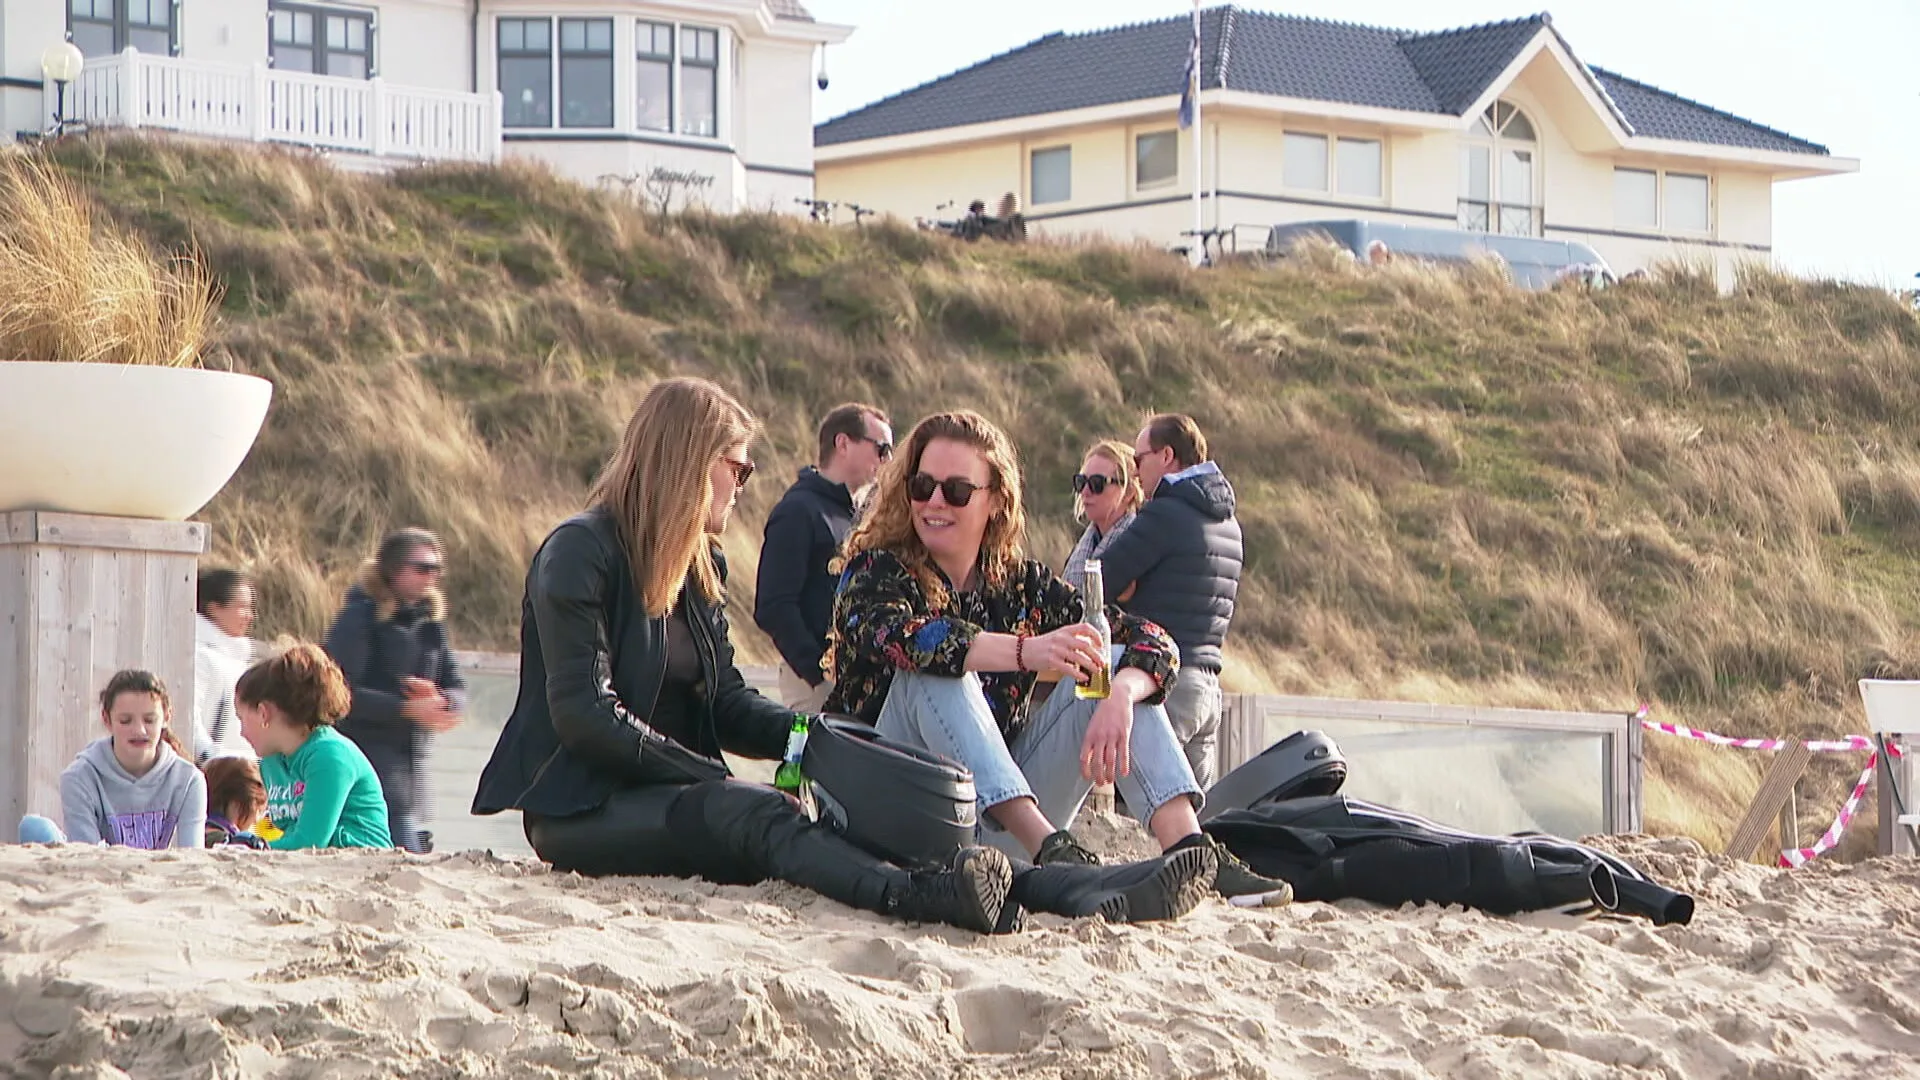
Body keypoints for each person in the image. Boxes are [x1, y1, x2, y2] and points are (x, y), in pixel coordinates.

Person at [474, 378, 1211, 934]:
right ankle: (926, 892)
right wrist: (710, 775)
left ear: (994, 502)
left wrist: (811, 737)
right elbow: (586, 716)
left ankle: (1178, 857)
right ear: (691, 463)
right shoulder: (581, 552)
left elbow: (726, 702)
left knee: (1114, 679)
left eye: (957, 490)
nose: (743, 485)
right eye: (738, 468)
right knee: (763, 810)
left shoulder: (696, 566)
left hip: (697, 794)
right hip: (582, 806)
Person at [827, 410, 1287, 903]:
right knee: (937, 668)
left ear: (995, 501)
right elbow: (906, 638)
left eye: (956, 491)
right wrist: (1027, 650)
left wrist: (1120, 693)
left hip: (988, 830)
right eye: (922, 486)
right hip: (889, 820)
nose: (935, 502)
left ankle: (1193, 851)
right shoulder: (875, 571)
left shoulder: (1020, 585)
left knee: (1105, 657)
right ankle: (1053, 852)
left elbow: (1152, 640)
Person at [1100, 414, 1243, 789]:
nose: (1135, 471)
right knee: (1192, 815)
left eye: (1139, 459)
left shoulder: (1166, 513)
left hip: (1164, 684)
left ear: (1166, 456)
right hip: (1207, 688)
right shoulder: (1229, 524)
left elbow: (1101, 580)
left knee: (1140, 806)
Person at [324, 527, 464, 854]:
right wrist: (406, 708)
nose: (432, 577)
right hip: (366, 753)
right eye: (423, 568)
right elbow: (338, 691)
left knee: (407, 845)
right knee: (399, 846)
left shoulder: (430, 624)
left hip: (411, 758)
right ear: (394, 570)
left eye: (437, 569)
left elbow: (456, 683)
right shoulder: (359, 618)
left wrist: (443, 701)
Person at [755, 402, 893, 711]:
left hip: (856, 683)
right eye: (881, 449)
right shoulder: (798, 511)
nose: (887, 460)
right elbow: (773, 606)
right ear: (843, 443)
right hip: (816, 684)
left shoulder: (858, 517)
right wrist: (819, 675)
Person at [18, 670, 207, 848]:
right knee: (34, 827)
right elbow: (85, 854)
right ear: (107, 719)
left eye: (149, 720)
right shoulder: (79, 777)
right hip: (97, 864)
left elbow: (192, 853)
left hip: (156, 869)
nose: (139, 730)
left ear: (166, 717)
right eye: (125, 721)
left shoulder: (189, 780)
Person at [236, 643, 393, 850]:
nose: (241, 732)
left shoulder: (329, 755)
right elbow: (287, 834)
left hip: (362, 859)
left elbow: (310, 841)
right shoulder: (271, 763)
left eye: (241, 718)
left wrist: (251, 848)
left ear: (263, 713)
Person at [193, 567, 259, 764]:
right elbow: (189, 718)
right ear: (214, 608)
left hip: (240, 768)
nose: (250, 616)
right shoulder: (199, 656)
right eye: (242, 607)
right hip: (214, 771)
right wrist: (210, 758)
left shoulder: (236, 658)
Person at [1061, 438, 1144, 593]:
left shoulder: (1140, 548)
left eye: (1097, 483)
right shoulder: (1080, 551)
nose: (1085, 492)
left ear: (1129, 492)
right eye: (1081, 482)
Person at [202, 755, 271, 849]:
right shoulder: (239, 842)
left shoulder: (193, 830)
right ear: (237, 803)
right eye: (258, 810)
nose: (256, 820)